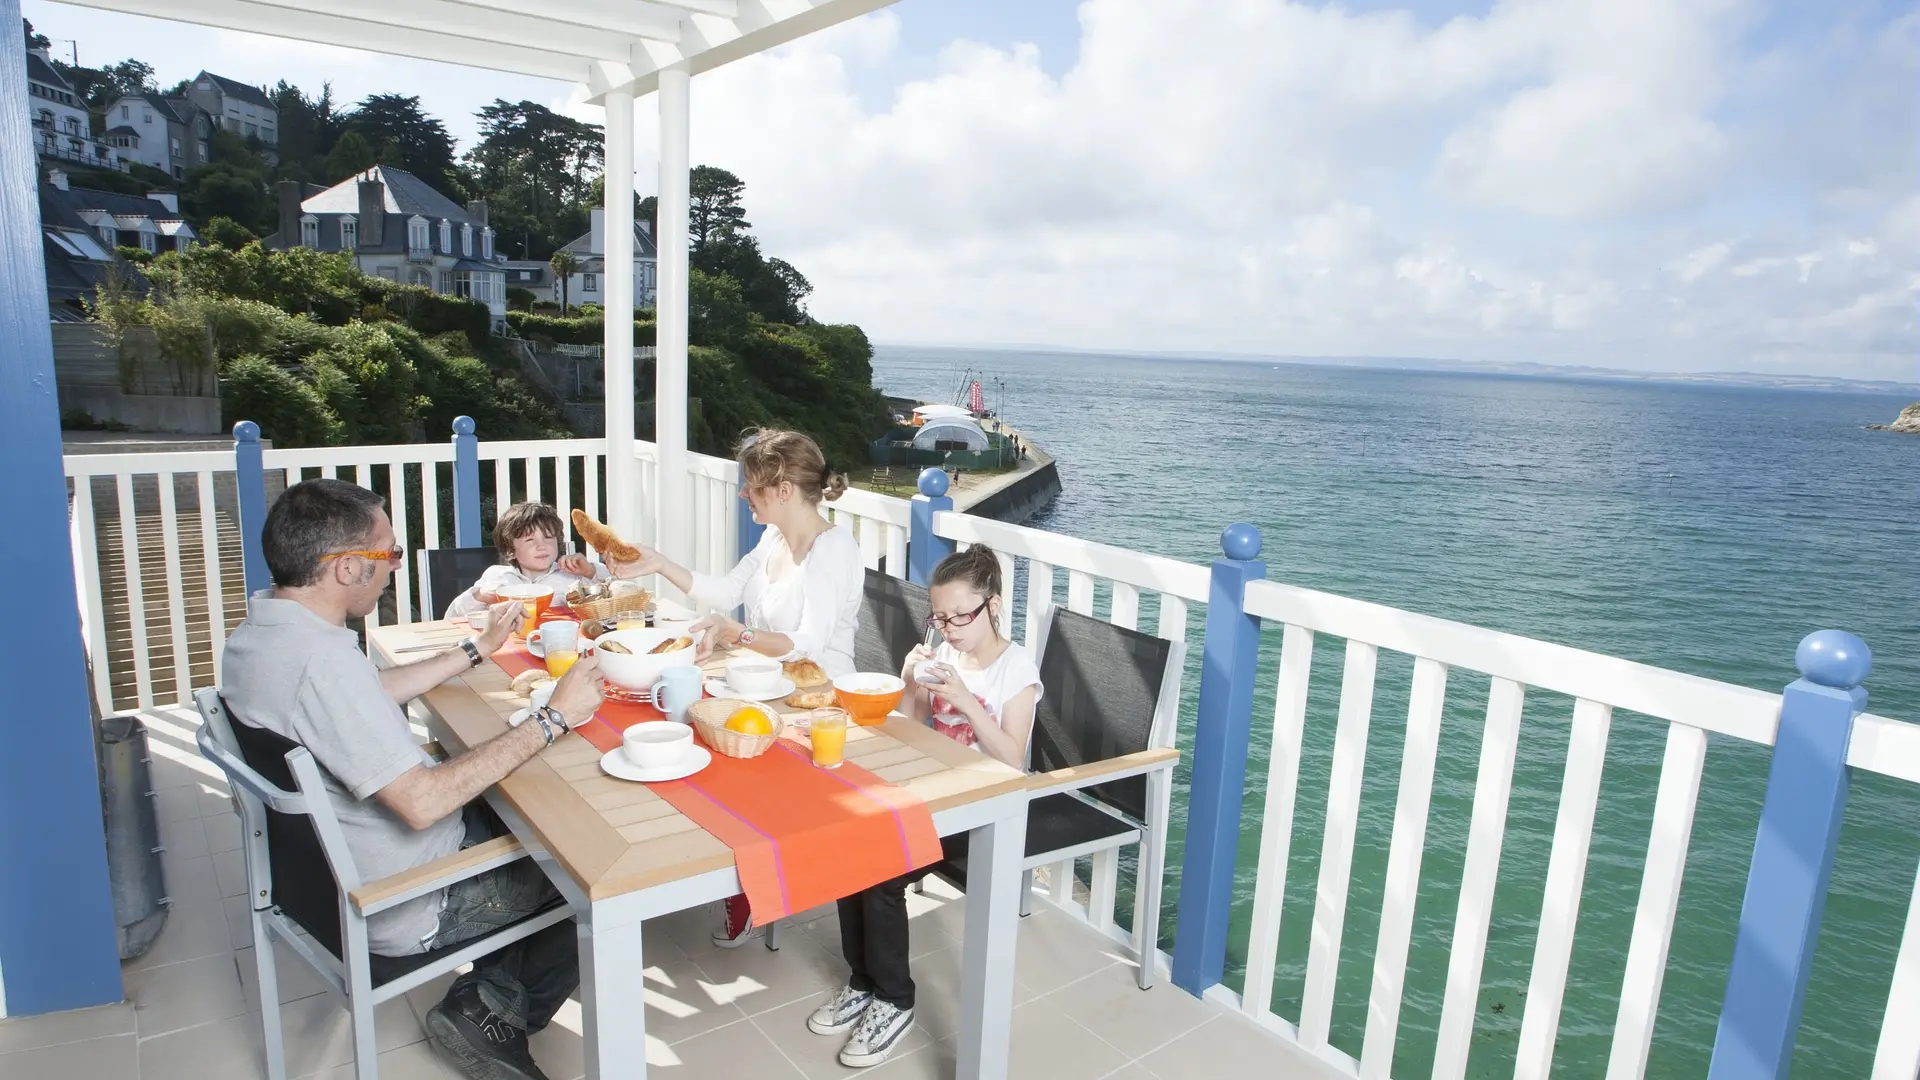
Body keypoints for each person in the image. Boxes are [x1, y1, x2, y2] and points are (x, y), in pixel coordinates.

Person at [221, 479, 604, 1080]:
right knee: (588, 858)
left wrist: (476, 651)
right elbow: (422, 803)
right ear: (347, 568)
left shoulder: (264, 636)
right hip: (411, 896)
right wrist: (555, 718)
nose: (394, 567)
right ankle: (490, 1016)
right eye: (388, 554)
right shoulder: (320, 663)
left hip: (332, 868)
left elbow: (361, 699)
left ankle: (494, 986)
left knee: (521, 803)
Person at [606, 428, 865, 947]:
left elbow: (808, 643)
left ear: (784, 490)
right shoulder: (773, 539)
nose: (744, 494)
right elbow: (724, 591)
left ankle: (749, 880)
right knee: (688, 726)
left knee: (715, 755)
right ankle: (733, 870)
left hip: (820, 703)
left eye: (751, 486)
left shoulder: (832, 549)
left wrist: (738, 632)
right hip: (767, 689)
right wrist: (656, 561)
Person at [806, 545, 1042, 1068]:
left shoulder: (1016, 670)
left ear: (994, 606)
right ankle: (862, 982)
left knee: (881, 870)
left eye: (963, 616)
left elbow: (1013, 759)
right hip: (935, 795)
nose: (951, 628)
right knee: (850, 850)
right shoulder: (946, 655)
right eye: (941, 617)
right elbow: (913, 731)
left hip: (986, 811)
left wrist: (965, 702)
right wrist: (911, 681)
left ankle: (894, 999)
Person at [443, 501, 608, 618]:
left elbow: (619, 593)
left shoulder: (573, 575)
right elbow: (452, 617)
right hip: (507, 648)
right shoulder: (497, 577)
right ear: (510, 550)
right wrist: (481, 596)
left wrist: (591, 572)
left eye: (548, 538)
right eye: (530, 540)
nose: (541, 546)